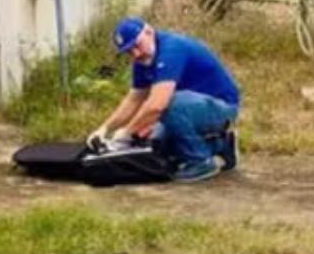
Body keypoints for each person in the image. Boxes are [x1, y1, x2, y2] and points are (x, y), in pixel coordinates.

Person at [88, 17, 241, 182]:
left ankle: (201, 162)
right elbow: (134, 100)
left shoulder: (172, 49)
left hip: (221, 107)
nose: (135, 54)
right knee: (154, 143)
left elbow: (157, 105)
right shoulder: (142, 60)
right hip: (193, 107)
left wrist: (125, 133)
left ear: (148, 32)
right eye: (129, 51)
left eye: (137, 46)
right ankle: (222, 144)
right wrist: (105, 129)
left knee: (169, 106)